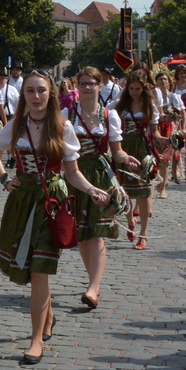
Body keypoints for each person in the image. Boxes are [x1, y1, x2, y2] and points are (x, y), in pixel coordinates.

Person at [0, 71, 112, 364]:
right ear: (24, 96)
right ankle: (48, 316)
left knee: (39, 271)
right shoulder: (15, 126)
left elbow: (72, 171)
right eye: (30, 91)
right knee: (24, 266)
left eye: (41, 91)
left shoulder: (63, 126)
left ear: (51, 94)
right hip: (21, 203)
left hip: (51, 203)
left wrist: (92, 189)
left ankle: (35, 341)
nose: (35, 96)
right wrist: (6, 179)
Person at [67, 69, 133, 311]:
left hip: (100, 173)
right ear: (77, 85)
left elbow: (117, 151)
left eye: (91, 84)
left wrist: (127, 159)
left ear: (99, 86)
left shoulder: (109, 116)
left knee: (96, 232)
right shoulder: (67, 114)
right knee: (83, 233)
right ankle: (93, 281)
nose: (86, 88)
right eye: (82, 84)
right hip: (74, 175)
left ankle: (93, 288)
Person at [114, 72, 160, 250]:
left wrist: (164, 139)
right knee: (122, 190)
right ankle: (129, 219)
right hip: (123, 148)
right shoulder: (120, 106)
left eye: (137, 89)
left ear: (143, 89)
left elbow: (154, 132)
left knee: (143, 191)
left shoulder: (149, 106)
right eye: (131, 88)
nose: (134, 92)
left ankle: (144, 234)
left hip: (141, 148)